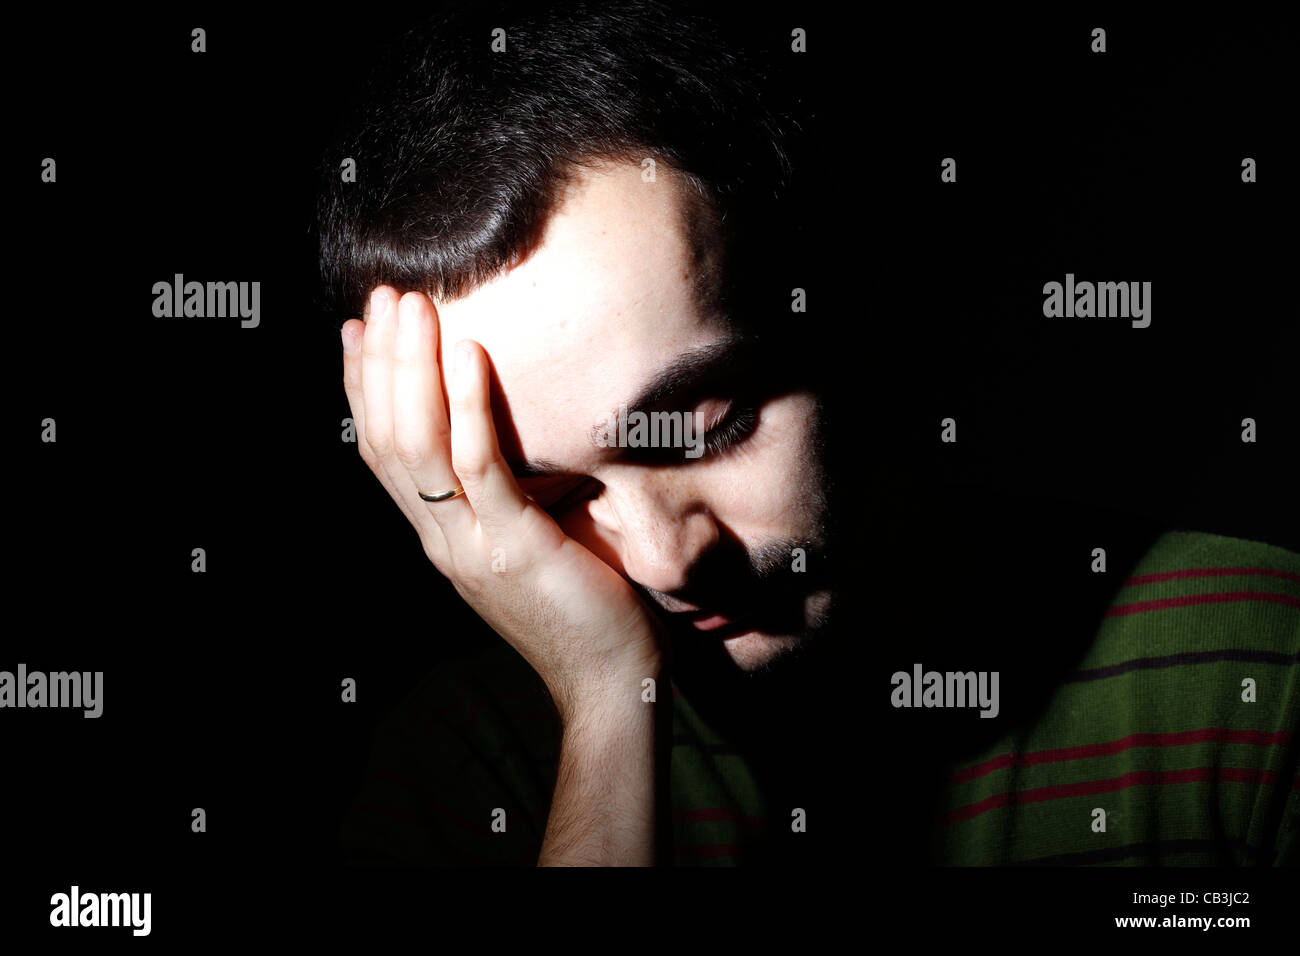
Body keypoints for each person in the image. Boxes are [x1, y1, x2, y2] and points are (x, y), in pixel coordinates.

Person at [317, 0, 1299, 866]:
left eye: (710, 425)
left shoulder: (1248, 660)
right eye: (549, 498)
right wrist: (613, 703)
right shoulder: (472, 765)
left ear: (846, 314)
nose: (664, 555)